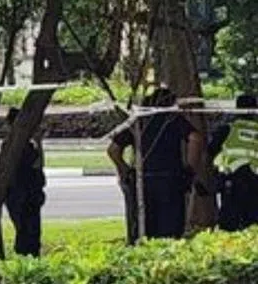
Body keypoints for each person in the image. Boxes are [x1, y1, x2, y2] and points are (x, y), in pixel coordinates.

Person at [108, 88, 203, 240]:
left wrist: (125, 169)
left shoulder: (138, 122)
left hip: (142, 180)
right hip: (171, 180)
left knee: (143, 227)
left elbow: (113, 149)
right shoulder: (172, 119)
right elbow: (195, 139)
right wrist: (190, 169)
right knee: (170, 228)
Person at [209, 94, 258, 232]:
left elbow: (210, 152)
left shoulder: (227, 130)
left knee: (229, 225)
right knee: (253, 225)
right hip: (255, 182)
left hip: (232, 181)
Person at [4, 107, 46, 256]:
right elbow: (38, 164)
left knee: (24, 231)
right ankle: (28, 260)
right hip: (25, 195)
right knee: (29, 233)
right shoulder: (23, 147)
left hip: (19, 195)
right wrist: (39, 143)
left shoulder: (10, 145)